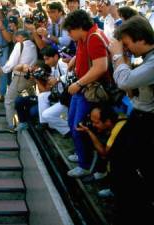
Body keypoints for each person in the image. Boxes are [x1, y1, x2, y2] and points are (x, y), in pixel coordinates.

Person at [108, 15, 154, 225]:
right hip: (140, 117)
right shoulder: (147, 58)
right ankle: (129, 204)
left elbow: (124, 80)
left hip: (147, 122)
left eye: (126, 44)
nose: (125, 49)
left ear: (139, 38)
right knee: (120, 159)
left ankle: (133, 210)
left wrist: (117, 56)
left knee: (130, 164)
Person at [62, 9, 110, 178]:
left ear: (79, 27)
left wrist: (79, 83)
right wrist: (75, 58)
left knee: (79, 126)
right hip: (82, 88)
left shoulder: (94, 37)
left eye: (70, 31)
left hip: (88, 89)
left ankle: (85, 164)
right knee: (72, 122)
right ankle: (82, 153)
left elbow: (100, 67)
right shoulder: (84, 37)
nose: (69, 34)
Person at [1, 29, 37, 132]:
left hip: (20, 76)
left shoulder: (19, 45)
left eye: (17, 37)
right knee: (30, 99)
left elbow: (12, 61)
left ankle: (11, 125)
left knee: (9, 100)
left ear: (21, 37)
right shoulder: (33, 45)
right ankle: (30, 121)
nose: (16, 39)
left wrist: (4, 69)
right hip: (31, 77)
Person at [39, 46, 70, 136]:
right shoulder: (54, 66)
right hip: (60, 95)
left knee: (46, 114)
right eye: (45, 60)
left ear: (56, 57)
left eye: (48, 59)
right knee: (42, 96)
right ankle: (45, 124)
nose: (46, 62)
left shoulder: (62, 63)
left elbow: (71, 76)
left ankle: (68, 130)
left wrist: (57, 79)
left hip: (68, 99)